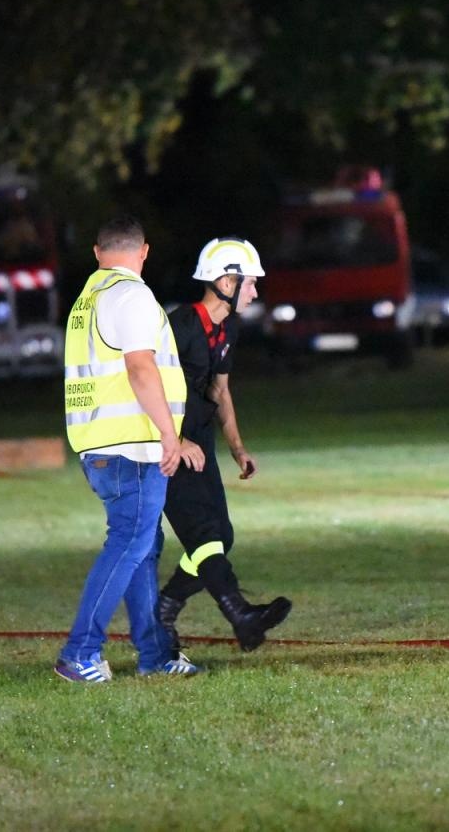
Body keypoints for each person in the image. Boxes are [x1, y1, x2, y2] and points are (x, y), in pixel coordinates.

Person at [56, 216, 204, 684]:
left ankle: (154, 653)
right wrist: (169, 436)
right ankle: (79, 652)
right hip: (132, 448)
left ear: (97, 253)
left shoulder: (88, 300)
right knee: (130, 543)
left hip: (98, 444)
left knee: (141, 546)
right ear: (144, 252)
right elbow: (141, 368)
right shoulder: (133, 296)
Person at [155, 238, 292, 668]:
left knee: (220, 537)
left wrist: (237, 447)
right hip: (170, 443)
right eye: (250, 283)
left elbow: (220, 389)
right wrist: (174, 440)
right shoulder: (178, 327)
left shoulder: (229, 326)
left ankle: (162, 613)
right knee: (205, 536)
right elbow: (150, 389)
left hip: (200, 439)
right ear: (225, 280)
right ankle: (241, 614)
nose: (255, 292)